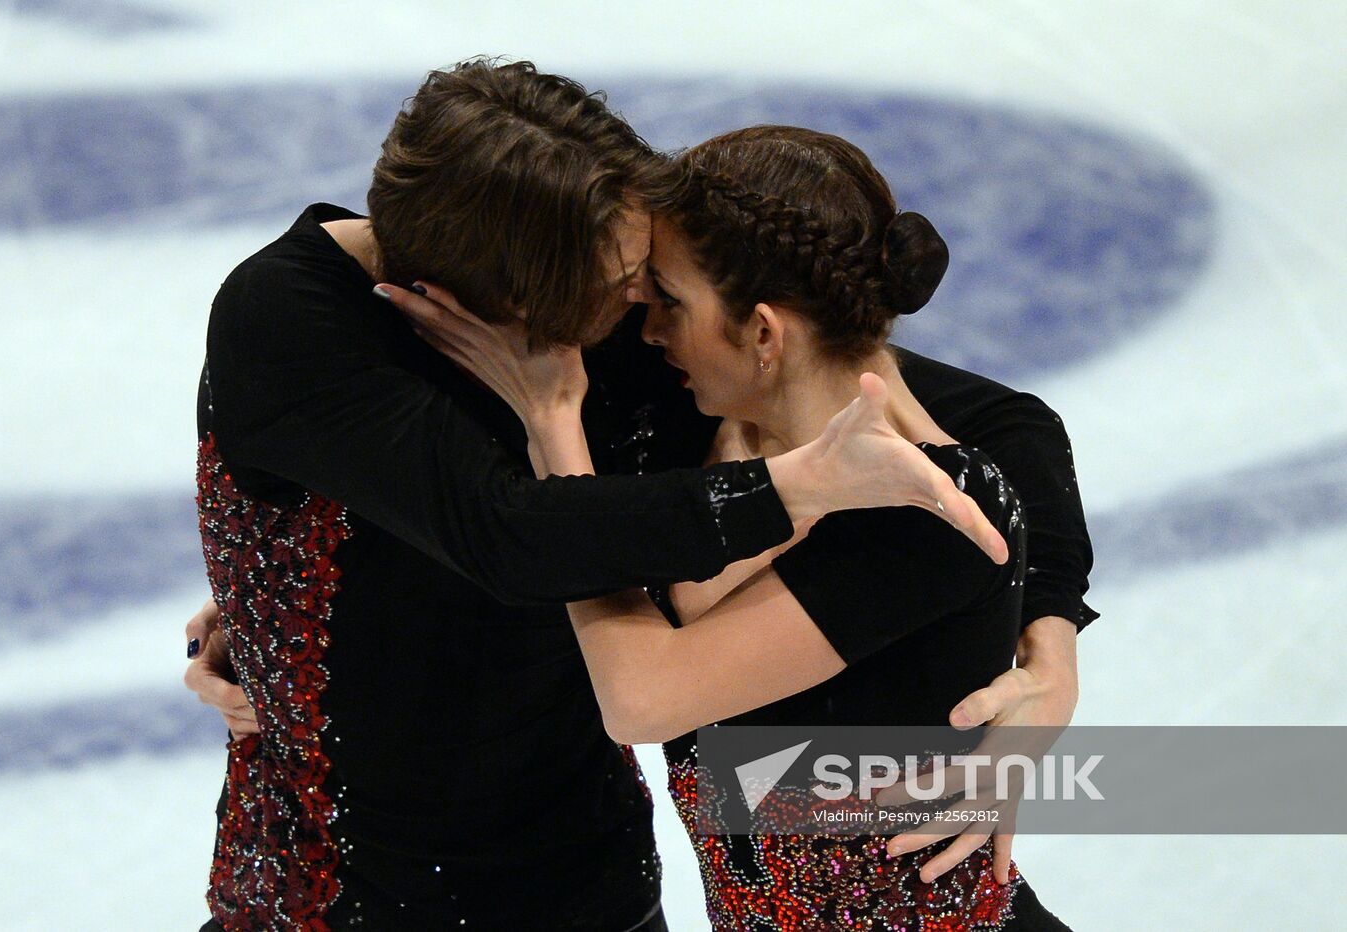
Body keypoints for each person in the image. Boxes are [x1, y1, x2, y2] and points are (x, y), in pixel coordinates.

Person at [187, 59, 1012, 931]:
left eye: (655, 285)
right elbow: (515, 536)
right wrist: (787, 486)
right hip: (336, 899)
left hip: (588, 882)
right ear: (512, 294)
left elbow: (951, 412)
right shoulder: (289, 324)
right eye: (625, 282)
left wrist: (1045, 651)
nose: (643, 306)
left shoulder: (610, 325)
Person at [391, 125, 1084, 929]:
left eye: (669, 301)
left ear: (761, 331)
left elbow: (643, 699)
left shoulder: (929, 506)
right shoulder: (688, 417)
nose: (643, 327)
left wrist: (554, 430)